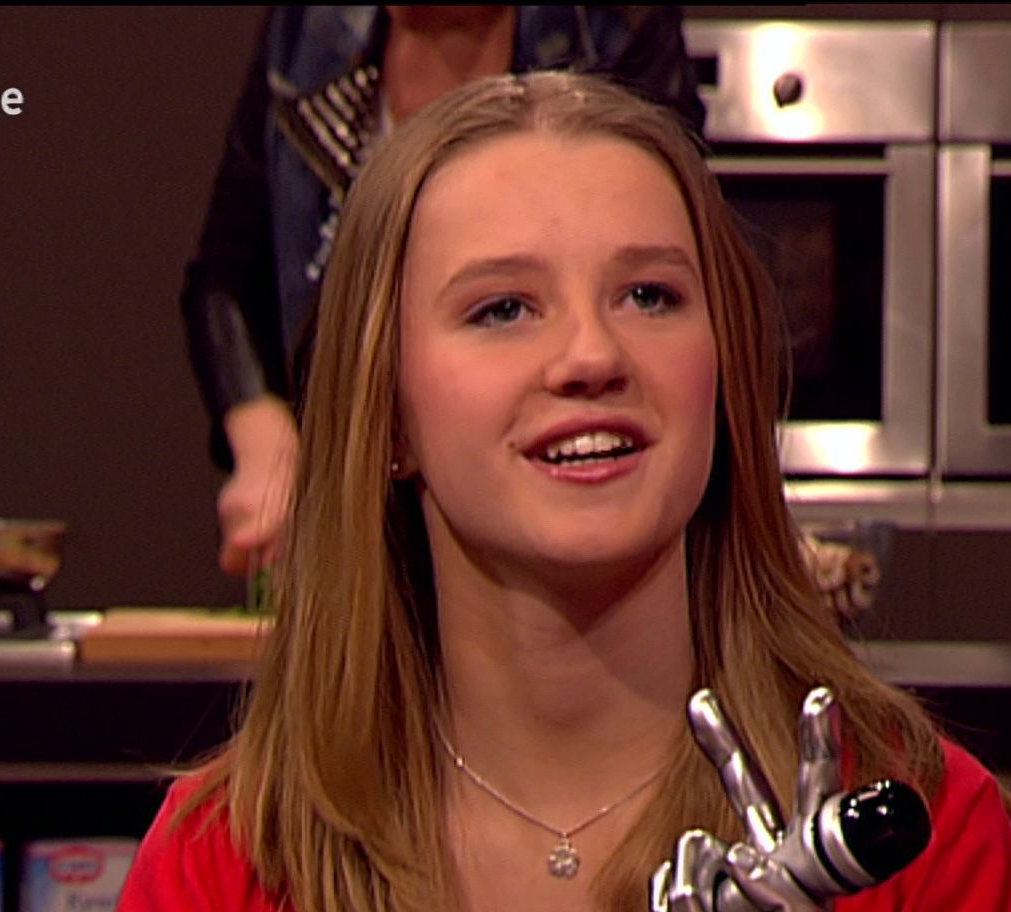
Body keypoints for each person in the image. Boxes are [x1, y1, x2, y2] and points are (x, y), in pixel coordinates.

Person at [89, 72, 1011, 912]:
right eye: (504, 308)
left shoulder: (915, 842)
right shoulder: (227, 864)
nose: (592, 355)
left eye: (650, 296)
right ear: (388, 417)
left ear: (722, 372)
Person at [181, 6, 703, 576]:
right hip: (362, 545)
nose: (590, 356)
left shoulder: (613, 29)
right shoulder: (309, 35)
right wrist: (267, 445)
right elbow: (228, 276)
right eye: (500, 310)